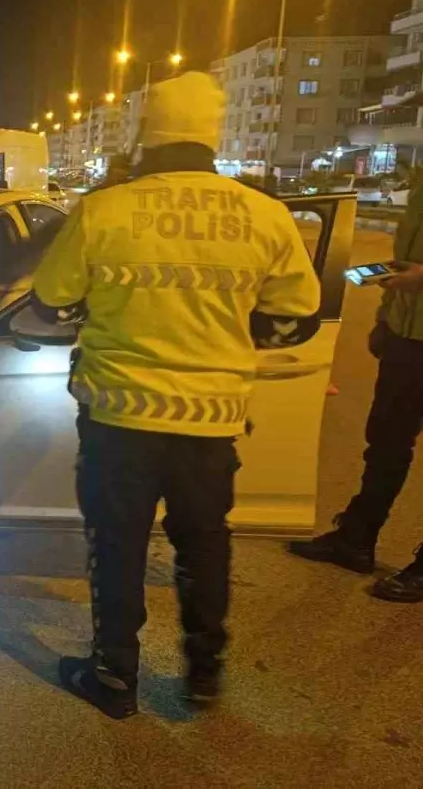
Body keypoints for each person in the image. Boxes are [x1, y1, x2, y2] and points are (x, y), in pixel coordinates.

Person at [31, 71, 322, 718]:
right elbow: (296, 318)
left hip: (117, 416)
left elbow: (49, 303)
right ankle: (204, 673)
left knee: (118, 543)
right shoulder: (265, 215)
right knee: (203, 543)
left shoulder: (104, 210)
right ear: (212, 135)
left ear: (145, 134)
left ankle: (113, 676)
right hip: (210, 422)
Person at [288, 172, 423, 604]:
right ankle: (357, 538)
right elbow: (404, 261)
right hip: (407, 337)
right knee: (384, 443)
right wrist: (386, 317)